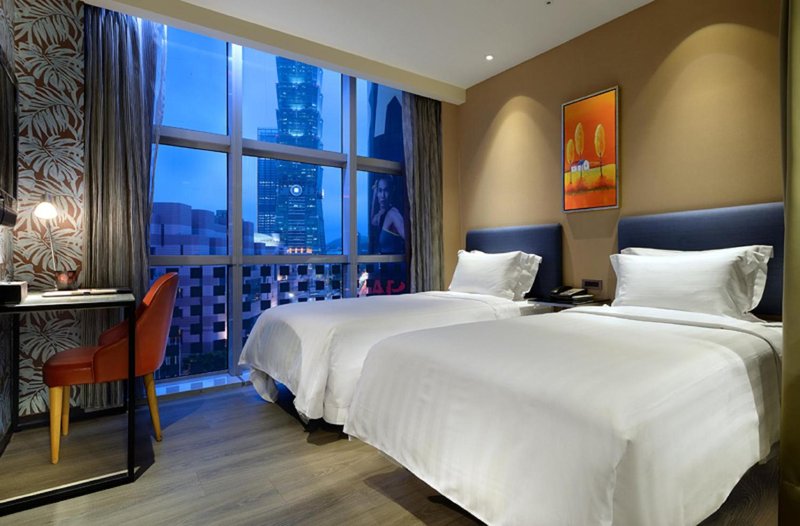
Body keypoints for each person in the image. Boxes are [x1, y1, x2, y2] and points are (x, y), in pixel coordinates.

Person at [370, 175, 405, 254]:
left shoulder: (393, 214)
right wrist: (374, 194)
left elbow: (409, 238)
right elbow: (373, 221)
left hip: (394, 261)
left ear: (391, 192)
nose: (382, 196)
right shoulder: (381, 215)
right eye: (380, 191)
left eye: (386, 191)